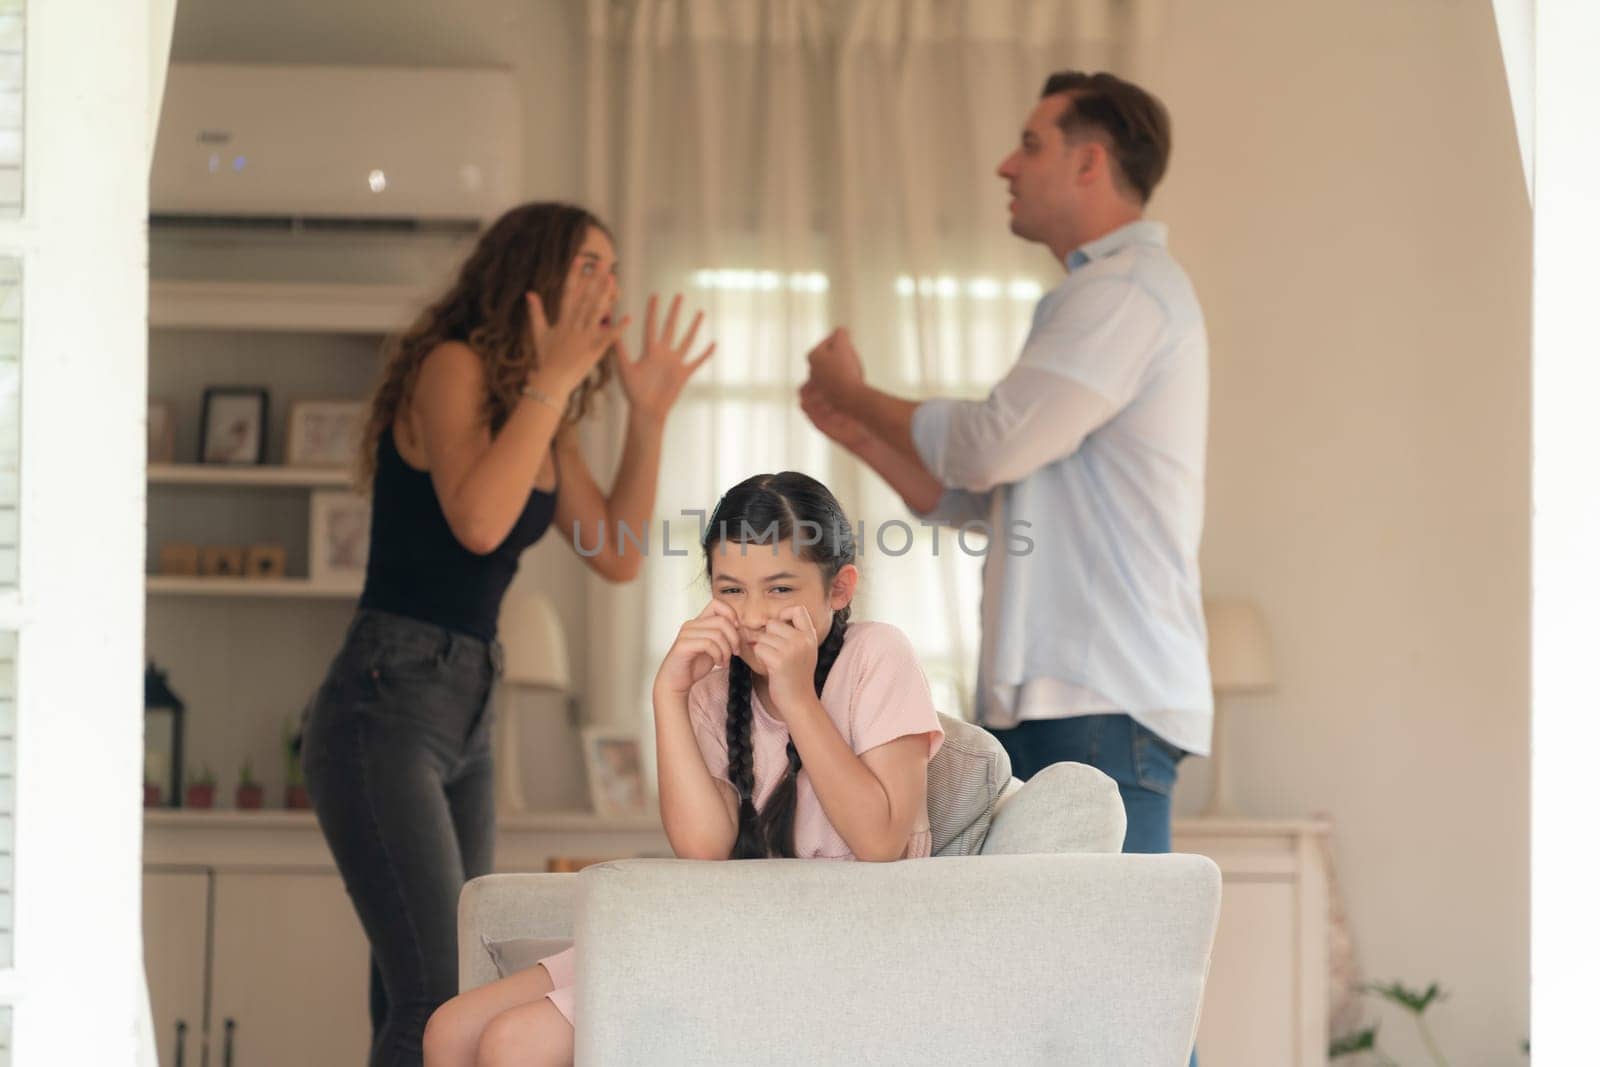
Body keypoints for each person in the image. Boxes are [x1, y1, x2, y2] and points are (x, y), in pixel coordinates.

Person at [299, 201, 715, 1067]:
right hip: (387, 698)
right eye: (588, 267)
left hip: (470, 703)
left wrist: (647, 417)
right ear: (532, 279)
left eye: (613, 268)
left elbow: (616, 553)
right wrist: (553, 384)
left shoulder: (545, 419)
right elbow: (480, 522)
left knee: (438, 966)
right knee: (437, 989)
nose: (609, 286)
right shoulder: (451, 368)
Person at [800, 71, 1210, 861]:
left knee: (1099, 969)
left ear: (1091, 163)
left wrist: (859, 389)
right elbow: (980, 493)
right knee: (1047, 969)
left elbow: (989, 444)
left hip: (1099, 696)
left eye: (1030, 144)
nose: (1005, 167)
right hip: (1070, 698)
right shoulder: (1100, 296)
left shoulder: (1125, 294)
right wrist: (859, 429)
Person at [421, 472, 946, 1067]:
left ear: (840, 588)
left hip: (832, 944)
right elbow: (703, 847)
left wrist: (797, 698)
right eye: (731, 590)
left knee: (514, 1043)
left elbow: (880, 842)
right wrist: (668, 693)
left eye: (779, 589)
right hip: (727, 928)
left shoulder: (877, 655)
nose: (752, 616)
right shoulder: (717, 685)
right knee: (451, 1029)